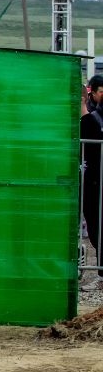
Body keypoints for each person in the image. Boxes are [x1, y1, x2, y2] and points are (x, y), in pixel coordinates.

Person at [81, 77, 103, 281]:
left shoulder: (94, 119)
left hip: (96, 178)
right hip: (94, 178)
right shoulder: (94, 117)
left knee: (96, 220)